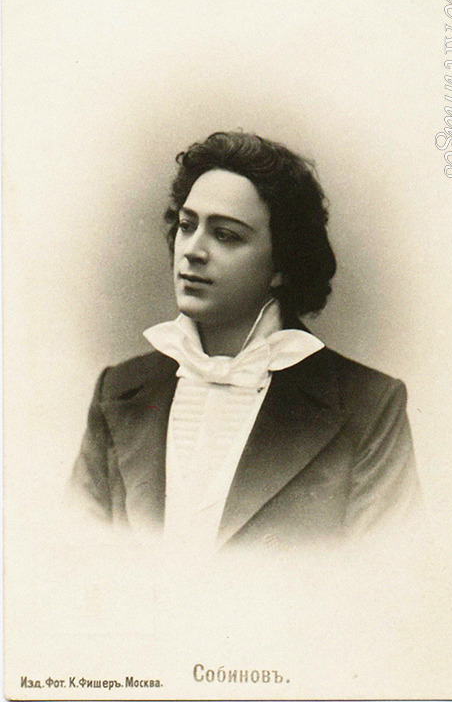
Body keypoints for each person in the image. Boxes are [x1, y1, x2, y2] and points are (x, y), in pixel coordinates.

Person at [70, 131, 422, 555]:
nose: (193, 250)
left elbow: (385, 577)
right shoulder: (118, 391)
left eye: (225, 235)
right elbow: (76, 563)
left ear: (281, 264)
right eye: (187, 226)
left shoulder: (368, 406)